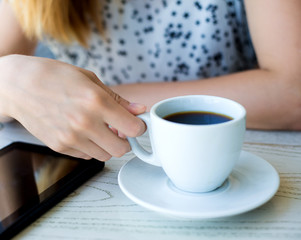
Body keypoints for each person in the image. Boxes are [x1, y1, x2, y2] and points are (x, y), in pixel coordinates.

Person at [0, 0, 300, 162]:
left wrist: (89, 100)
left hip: (236, 153)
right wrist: (8, 80)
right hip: (97, 165)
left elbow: (293, 91)